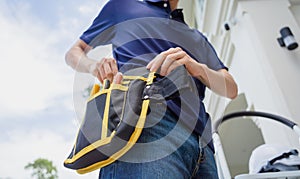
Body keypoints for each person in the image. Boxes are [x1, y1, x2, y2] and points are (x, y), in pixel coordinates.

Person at [65, 0, 238, 178]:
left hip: (203, 145)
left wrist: (198, 68)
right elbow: (74, 52)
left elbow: (230, 88)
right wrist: (94, 66)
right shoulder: (122, 6)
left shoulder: (197, 37)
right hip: (145, 122)